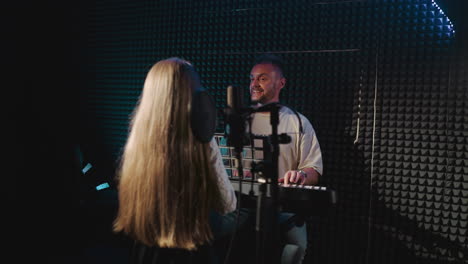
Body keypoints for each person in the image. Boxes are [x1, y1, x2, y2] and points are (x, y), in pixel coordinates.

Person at [112, 57, 238, 262]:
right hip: (189, 254)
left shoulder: (138, 144)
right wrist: (207, 137)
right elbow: (228, 204)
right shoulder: (199, 145)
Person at [248, 53, 323, 263]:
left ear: (281, 83)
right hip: (244, 206)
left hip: (283, 206)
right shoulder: (238, 122)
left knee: (297, 246)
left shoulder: (299, 122)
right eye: (252, 78)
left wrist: (300, 175)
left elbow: (314, 171)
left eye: (262, 78)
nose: (254, 84)